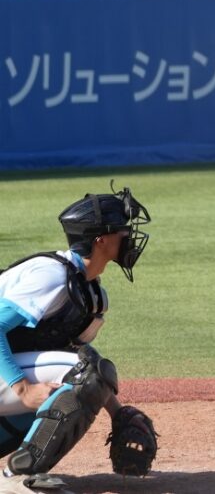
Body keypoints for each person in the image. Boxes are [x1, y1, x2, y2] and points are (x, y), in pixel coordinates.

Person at [0, 186, 158, 489]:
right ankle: (16, 478)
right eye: (123, 230)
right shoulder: (51, 276)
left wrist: (117, 412)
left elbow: (80, 361)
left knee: (85, 374)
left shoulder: (89, 292)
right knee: (87, 374)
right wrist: (23, 389)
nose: (129, 237)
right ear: (101, 240)